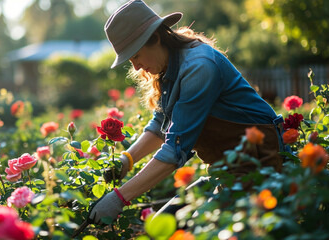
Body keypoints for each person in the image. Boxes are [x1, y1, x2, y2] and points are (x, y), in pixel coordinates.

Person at [88, 0, 285, 224]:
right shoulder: (172, 65)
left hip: (259, 164)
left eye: (135, 56)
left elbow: (175, 149)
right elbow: (160, 125)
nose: (136, 67)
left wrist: (118, 199)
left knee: (179, 228)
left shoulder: (198, 67)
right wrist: (126, 160)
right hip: (228, 169)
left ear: (155, 38)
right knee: (163, 225)